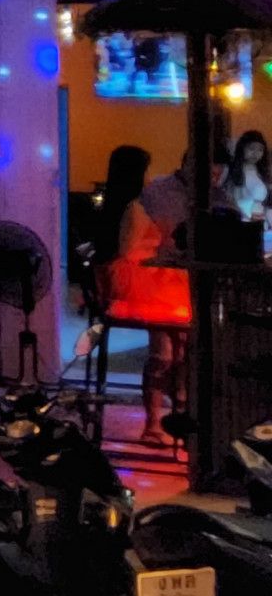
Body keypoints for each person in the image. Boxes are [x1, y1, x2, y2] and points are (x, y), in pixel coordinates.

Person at [109, 144, 193, 444]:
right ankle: (155, 422)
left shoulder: (152, 201)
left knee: (182, 350)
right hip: (150, 285)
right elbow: (128, 251)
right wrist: (162, 251)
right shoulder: (139, 205)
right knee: (165, 353)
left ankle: (174, 416)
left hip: (167, 282)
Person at [227, 130, 269, 221]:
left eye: (260, 150)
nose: (256, 153)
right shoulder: (233, 170)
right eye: (251, 148)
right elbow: (230, 200)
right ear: (242, 148)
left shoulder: (261, 171)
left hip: (259, 217)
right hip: (242, 218)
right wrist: (248, 214)